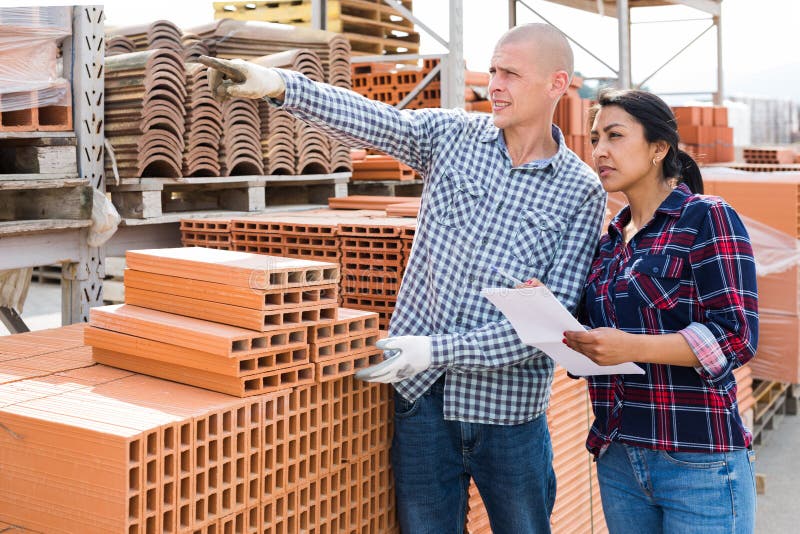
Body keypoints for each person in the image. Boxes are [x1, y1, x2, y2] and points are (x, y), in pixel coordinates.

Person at [201, 23, 606, 533]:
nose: (494, 84)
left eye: (511, 73)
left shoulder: (579, 191)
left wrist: (433, 350)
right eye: (494, 70)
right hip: (424, 407)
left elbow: (550, 327)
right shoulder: (452, 137)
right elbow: (373, 120)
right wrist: (280, 85)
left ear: (555, 84)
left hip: (509, 418)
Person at [563, 89, 758, 533]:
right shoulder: (609, 243)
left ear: (658, 147)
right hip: (620, 458)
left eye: (615, 136)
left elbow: (736, 336)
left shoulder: (706, 218)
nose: (599, 151)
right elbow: (593, 342)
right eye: (595, 139)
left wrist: (630, 346)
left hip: (697, 459)